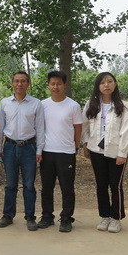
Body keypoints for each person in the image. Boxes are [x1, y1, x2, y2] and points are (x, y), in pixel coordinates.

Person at [82, 72, 128, 233]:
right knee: (101, 185)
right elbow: (85, 126)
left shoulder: (123, 106)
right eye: (103, 82)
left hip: (115, 152)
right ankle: (105, 216)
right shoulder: (90, 104)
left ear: (115, 84)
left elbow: (127, 131)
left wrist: (122, 153)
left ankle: (116, 218)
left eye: (110, 81)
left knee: (115, 185)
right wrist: (85, 144)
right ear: (98, 86)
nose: (106, 85)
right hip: (96, 150)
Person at [0, 71, 45, 231]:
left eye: (23, 81)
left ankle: (30, 217)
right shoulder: (5, 103)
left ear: (28, 84)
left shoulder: (36, 103)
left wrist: (39, 150)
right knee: (10, 184)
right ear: (12, 83)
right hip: (10, 147)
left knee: (29, 184)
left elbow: (40, 128)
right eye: (16, 81)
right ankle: (8, 215)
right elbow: (0, 127)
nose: (19, 84)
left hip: (29, 148)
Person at [38, 70, 82, 233]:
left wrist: (75, 147)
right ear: (48, 85)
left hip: (66, 153)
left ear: (64, 85)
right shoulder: (42, 105)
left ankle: (66, 218)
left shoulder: (73, 106)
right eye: (52, 84)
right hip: (47, 151)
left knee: (67, 187)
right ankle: (47, 216)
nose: (55, 87)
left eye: (59, 84)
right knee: (46, 187)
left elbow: (78, 128)